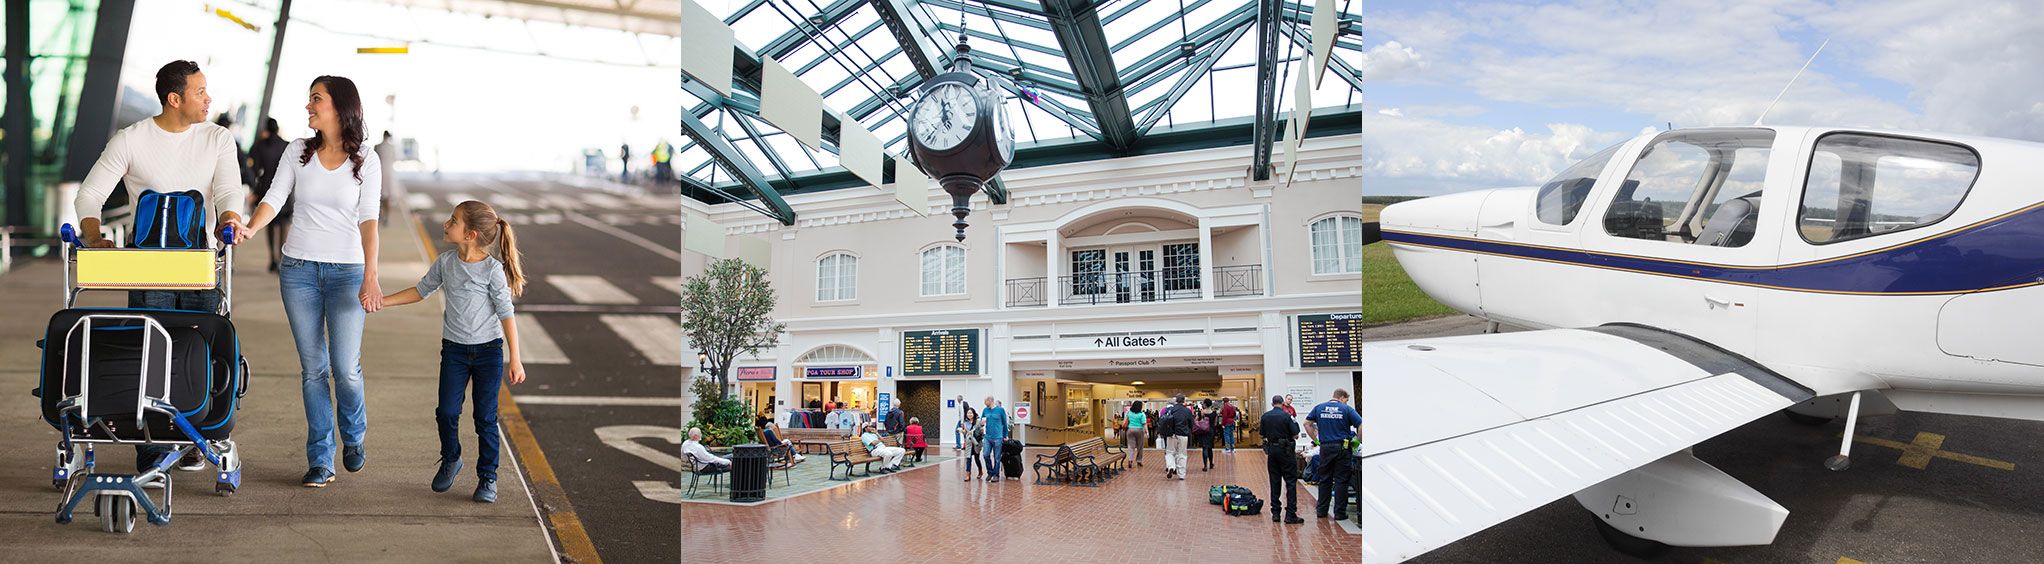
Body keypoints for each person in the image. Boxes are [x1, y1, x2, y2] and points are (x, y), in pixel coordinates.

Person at [76, 60, 249, 477]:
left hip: (199, 262)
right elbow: (90, 194)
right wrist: (93, 233)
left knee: (202, 350)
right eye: (200, 92)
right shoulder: (131, 139)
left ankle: (195, 437)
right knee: (152, 348)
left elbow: (228, 189)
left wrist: (229, 219)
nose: (209, 99)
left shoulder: (217, 138)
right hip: (149, 265)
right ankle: (153, 445)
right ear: (175, 99)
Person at [232, 75, 384, 488]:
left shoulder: (366, 159)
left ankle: (353, 435)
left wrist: (371, 276)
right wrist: (250, 227)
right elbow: (275, 196)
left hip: (348, 272)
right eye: (309, 99)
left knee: (345, 368)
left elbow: (369, 219)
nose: (308, 107)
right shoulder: (297, 151)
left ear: (340, 107)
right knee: (313, 369)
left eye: (316, 99)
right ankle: (321, 458)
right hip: (298, 271)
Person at [375, 200, 528, 503]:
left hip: (488, 353)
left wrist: (516, 359)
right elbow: (421, 290)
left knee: (485, 418)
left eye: (453, 221)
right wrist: (382, 301)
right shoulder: (446, 262)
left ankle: (488, 478)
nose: (446, 224)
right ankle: (451, 458)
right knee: (446, 412)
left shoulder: (492, 271)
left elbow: (506, 314)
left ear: (470, 234)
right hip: (455, 351)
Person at [1305, 388, 1362, 521]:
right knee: (1341, 480)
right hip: (1342, 447)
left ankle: (1321, 511)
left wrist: (1315, 439)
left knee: (1325, 479)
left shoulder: (1319, 408)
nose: (1346, 403)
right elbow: (1361, 425)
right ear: (1341, 398)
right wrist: (1357, 440)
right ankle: (1339, 513)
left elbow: (1307, 423)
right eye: (1346, 400)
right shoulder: (1346, 410)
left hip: (1325, 447)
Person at [249, 117, 291, 272]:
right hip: (286, 190)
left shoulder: (260, 146)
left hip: (266, 187)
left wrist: (254, 190)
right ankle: (281, 258)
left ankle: (273, 258)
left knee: (271, 224)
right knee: (283, 225)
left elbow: (254, 170)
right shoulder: (286, 146)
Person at [1260, 395, 1305, 524]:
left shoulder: (1265, 416)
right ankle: (1290, 514)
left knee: (1274, 481)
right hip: (1286, 451)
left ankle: (1275, 513)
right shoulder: (1287, 416)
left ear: (1272, 403)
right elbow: (1296, 434)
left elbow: (1262, 434)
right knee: (1290, 481)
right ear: (1282, 403)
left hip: (1272, 451)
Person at [1161, 395, 1193, 480]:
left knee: (1170, 452)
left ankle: (1171, 466)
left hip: (1171, 434)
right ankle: (1181, 474)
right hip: (1183, 434)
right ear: (1184, 401)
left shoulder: (1171, 410)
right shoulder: (1187, 411)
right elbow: (1191, 424)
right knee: (1182, 454)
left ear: (1176, 401)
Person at [981, 396, 1009, 482]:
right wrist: (982, 423)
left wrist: (1005, 435)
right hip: (987, 437)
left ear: (991, 401)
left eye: (986, 402)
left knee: (997, 457)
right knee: (985, 454)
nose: (985, 404)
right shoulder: (985, 410)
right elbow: (982, 421)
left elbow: (1004, 423)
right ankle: (990, 472)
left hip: (998, 437)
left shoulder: (1000, 410)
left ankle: (996, 475)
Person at [957, 406, 984, 481]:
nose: (969, 414)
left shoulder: (978, 421)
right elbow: (965, 433)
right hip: (969, 443)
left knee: (977, 459)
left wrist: (981, 428)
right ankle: (968, 474)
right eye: (968, 413)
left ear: (974, 414)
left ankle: (980, 470)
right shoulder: (965, 423)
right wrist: (962, 431)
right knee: (968, 458)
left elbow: (981, 431)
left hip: (976, 443)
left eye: (971, 413)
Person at [1194, 398, 1218, 472]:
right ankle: (1211, 464)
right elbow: (1215, 423)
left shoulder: (1201, 413)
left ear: (1204, 404)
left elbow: (1195, 421)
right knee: (1210, 448)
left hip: (1203, 431)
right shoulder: (1214, 413)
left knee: (1204, 448)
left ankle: (1205, 466)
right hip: (1211, 431)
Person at [1123, 402, 1147, 468]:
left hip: (1130, 430)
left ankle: (1130, 460)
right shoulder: (1142, 414)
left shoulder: (1128, 413)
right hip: (1139, 430)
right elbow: (1144, 424)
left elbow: (1125, 421)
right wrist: (1146, 432)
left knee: (1131, 446)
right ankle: (1139, 461)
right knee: (1140, 446)